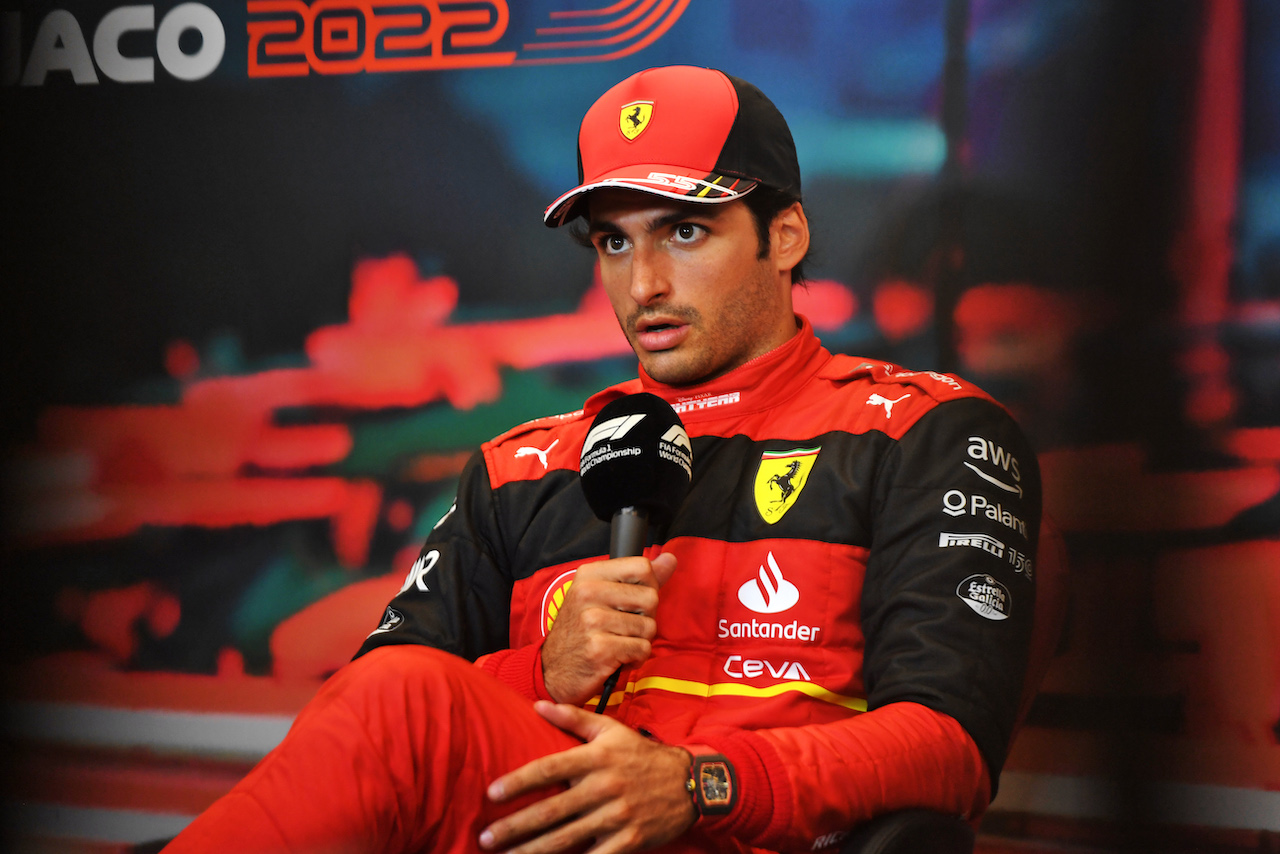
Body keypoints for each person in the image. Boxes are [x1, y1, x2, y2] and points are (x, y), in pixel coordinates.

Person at [164, 65, 1040, 854]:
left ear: (786, 235)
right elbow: (376, 725)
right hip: (541, 828)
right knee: (399, 699)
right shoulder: (523, 469)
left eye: (683, 233)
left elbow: (949, 747)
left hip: (749, 835)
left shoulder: (926, 432)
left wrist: (699, 786)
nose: (643, 284)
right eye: (614, 242)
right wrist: (543, 670)